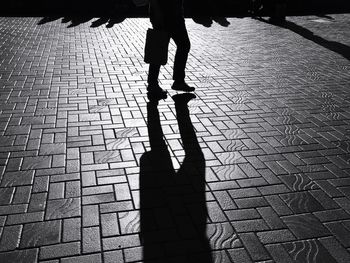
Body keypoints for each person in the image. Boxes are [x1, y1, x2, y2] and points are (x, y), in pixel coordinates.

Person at [147, 0, 195, 99]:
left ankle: (156, 83)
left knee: (163, 48)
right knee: (161, 48)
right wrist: (157, 13)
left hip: (173, 14)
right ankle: (157, 83)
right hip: (165, 14)